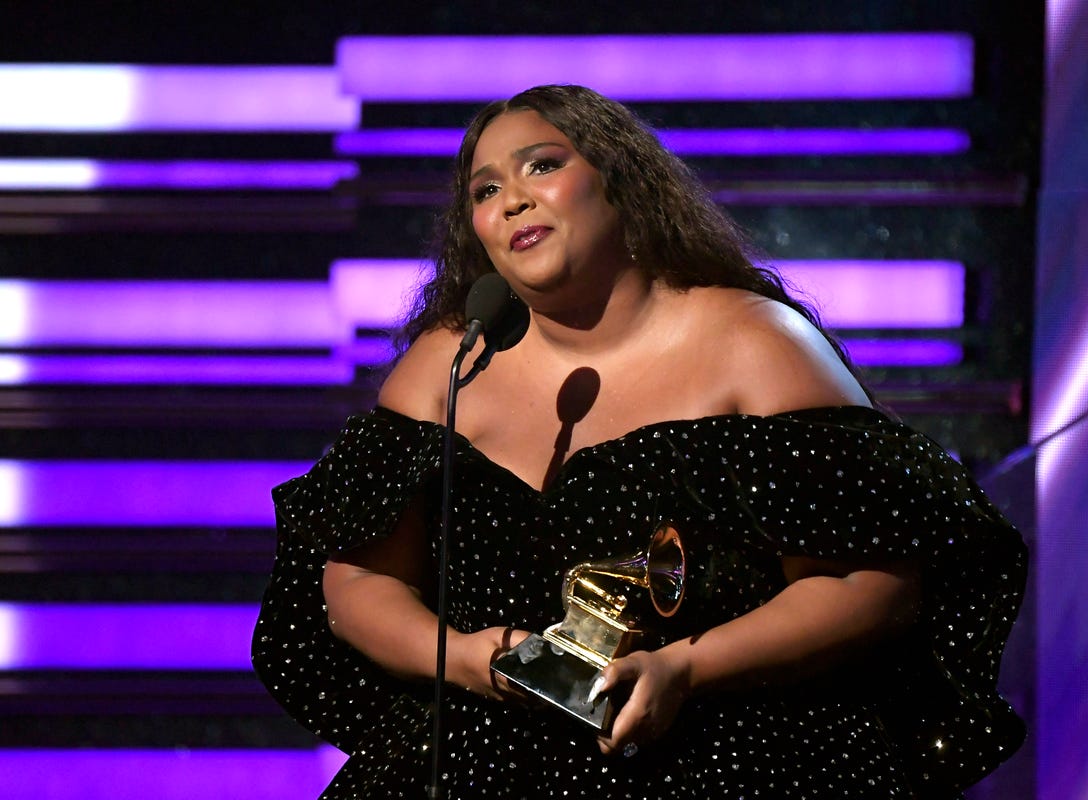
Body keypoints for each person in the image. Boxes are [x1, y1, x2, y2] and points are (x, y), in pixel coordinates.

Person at [252, 84, 1027, 799]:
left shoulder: (753, 343)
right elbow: (356, 585)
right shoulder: (445, 366)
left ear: (619, 180)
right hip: (471, 759)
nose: (512, 199)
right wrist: (476, 660)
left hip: (722, 755)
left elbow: (871, 585)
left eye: (541, 166)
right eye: (485, 191)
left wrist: (685, 668)